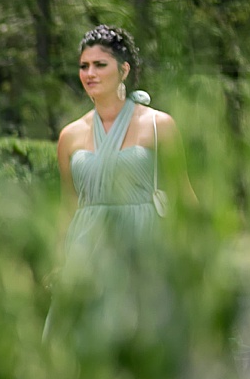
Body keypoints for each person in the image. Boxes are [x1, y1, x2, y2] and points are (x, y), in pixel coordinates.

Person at [56, 24, 181, 265]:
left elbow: (182, 197)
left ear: (124, 70)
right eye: (84, 66)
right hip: (85, 257)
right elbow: (68, 207)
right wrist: (59, 261)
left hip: (144, 254)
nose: (90, 73)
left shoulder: (159, 125)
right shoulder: (69, 136)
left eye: (100, 65)